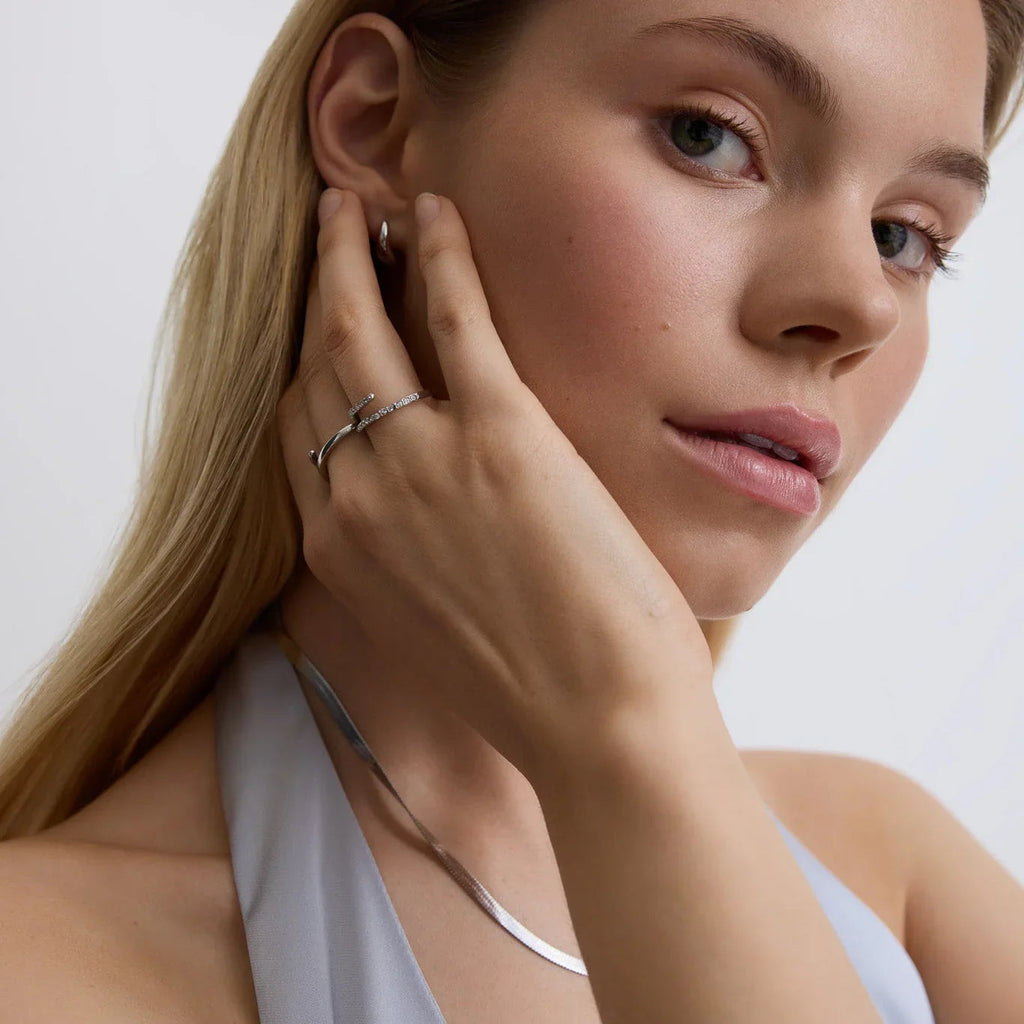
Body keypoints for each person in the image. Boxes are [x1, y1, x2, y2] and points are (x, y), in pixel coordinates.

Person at [2, 0, 1023, 1020]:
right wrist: (619, 726)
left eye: (905, 235)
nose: (858, 304)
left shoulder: (899, 883)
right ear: (376, 122)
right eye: (707, 136)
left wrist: (626, 733)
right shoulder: (43, 967)